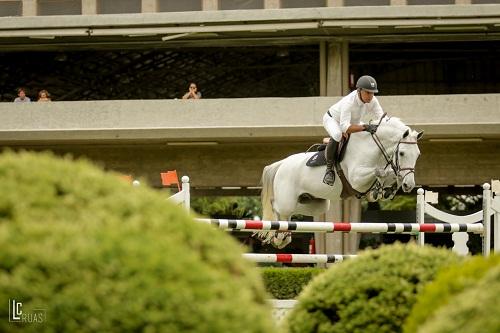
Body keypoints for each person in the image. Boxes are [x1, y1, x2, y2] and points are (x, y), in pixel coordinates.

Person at [322, 75, 384, 186]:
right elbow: (345, 127)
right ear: (359, 90)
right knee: (337, 135)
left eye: (373, 93)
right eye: (368, 92)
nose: (371, 96)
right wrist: (365, 127)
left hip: (352, 122)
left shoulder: (373, 101)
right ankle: (329, 170)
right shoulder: (348, 102)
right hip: (332, 120)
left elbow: (382, 119)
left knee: (367, 134)